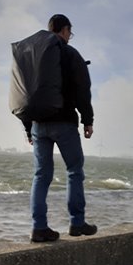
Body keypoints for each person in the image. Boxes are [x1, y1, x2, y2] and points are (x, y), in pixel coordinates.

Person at [22, 14, 97, 242]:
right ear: (64, 30)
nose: (69, 36)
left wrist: (27, 127)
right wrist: (88, 120)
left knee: (41, 175)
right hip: (64, 122)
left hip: (38, 124)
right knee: (74, 171)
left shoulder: (34, 55)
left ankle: (39, 227)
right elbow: (83, 89)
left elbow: (24, 93)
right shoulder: (70, 53)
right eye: (69, 32)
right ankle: (76, 223)